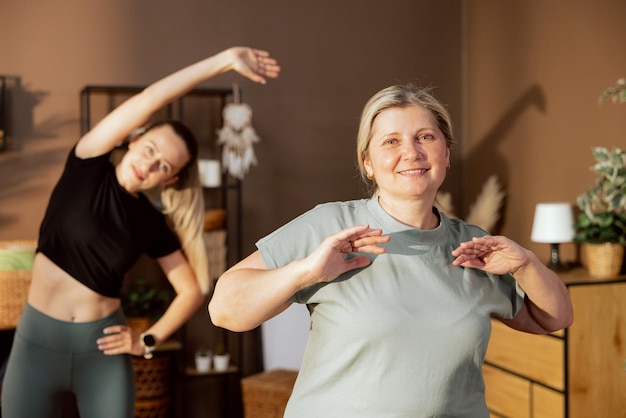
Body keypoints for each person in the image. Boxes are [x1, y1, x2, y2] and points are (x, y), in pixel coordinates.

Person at [208, 84, 573, 417]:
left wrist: (526, 264)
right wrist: (308, 271)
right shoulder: (329, 226)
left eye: (425, 137)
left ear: (446, 154)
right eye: (391, 141)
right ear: (367, 163)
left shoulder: (474, 247)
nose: (411, 152)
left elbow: (553, 318)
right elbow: (225, 311)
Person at [1, 47, 280, 418]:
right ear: (134, 138)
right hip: (37, 345)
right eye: (148, 148)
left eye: (162, 165)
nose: (147, 165)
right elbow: (150, 99)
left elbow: (193, 289)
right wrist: (224, 60)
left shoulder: (150, 222)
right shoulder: (87, 164)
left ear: (170, 178)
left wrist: (147, 341)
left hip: (101, 350)